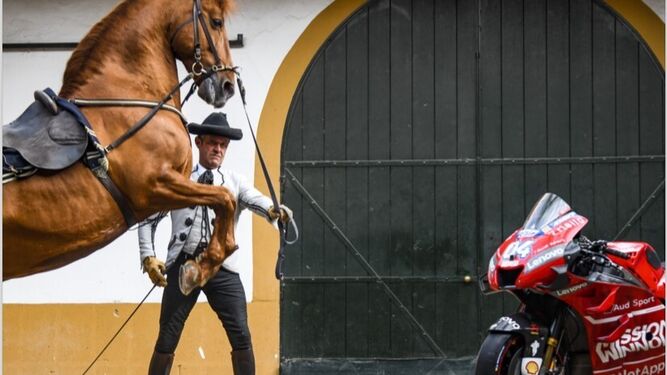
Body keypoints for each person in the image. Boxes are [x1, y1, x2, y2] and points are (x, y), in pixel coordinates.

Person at [138, 112, 291, 375]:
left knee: (241, 334)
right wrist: (148, 257)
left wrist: (274, 210)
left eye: (223, 145)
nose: (218, 149)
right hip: (184, 267)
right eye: (212, 143)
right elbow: (148, 219)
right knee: (167, 336)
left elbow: (259, 201)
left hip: (223, 269)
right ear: (199, 143)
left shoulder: (234, 182)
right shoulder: (180, 179)